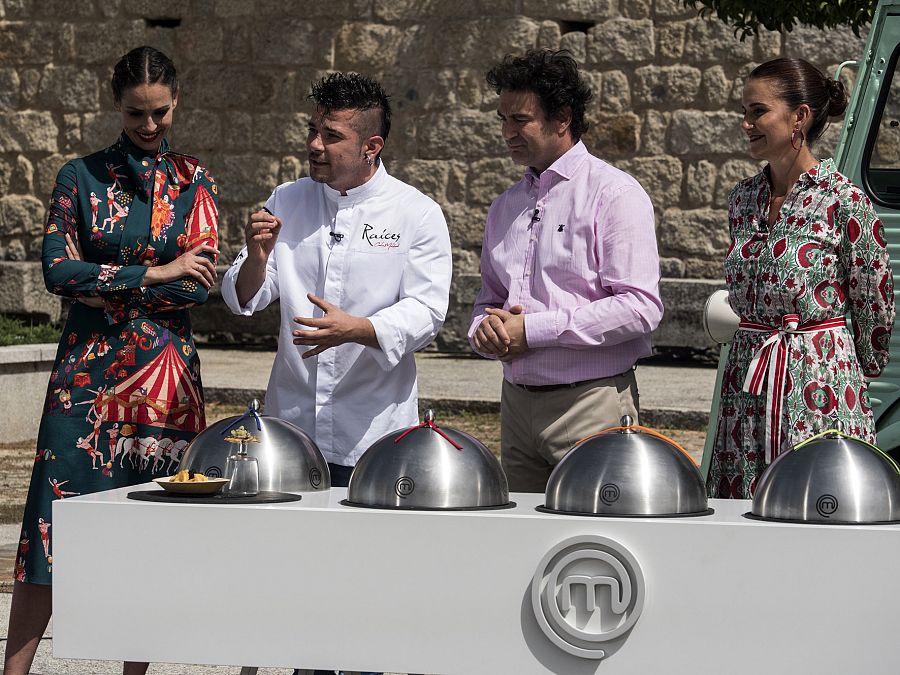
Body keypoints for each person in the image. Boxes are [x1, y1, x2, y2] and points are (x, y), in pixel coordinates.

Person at [220, 72, 451, 675]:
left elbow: (428, 310)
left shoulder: (416, 213)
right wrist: (260, 255)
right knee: (291, 586)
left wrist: (360, 328)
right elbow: (244, 297)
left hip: (371, 432)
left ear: (372, 146)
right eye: (312, 131)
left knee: (365, 592)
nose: (315, 145)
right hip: (291, 431)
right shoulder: (287, 199)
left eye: (332, 135)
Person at [4, 46, 219, 675]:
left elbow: (198, 284)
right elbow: (56, 270)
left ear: (175, 102)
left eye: (159, 113)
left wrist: (111, 285)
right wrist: (157, 270)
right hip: (86, 381)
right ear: (116, 105)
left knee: (151, 531)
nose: (149, 126)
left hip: (166, 381)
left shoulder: (194, 179)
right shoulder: (80, 175)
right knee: (51, 522)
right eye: (135, 114)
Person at [468, 49, 664, 493]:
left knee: (599, 541)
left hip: (591, 402)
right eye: (502, 119)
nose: (507, 132)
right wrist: (485, 330)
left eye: (520, 120)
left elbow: (640, 309)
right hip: (516, 405)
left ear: (563, 119)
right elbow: (490, 300)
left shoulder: (614, 193)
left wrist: (532, 331)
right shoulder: (505, 206)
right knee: (524, 546)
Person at [707, 57, 895, 499]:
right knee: (744, 520)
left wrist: (844, 368)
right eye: (744, 112)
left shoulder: (843, 202)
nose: (746, 123)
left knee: (814, 508)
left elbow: (875, 307)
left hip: (818, 384)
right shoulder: (743, 199)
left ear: (800, 117)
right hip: (747, 384)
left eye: (758, 111)